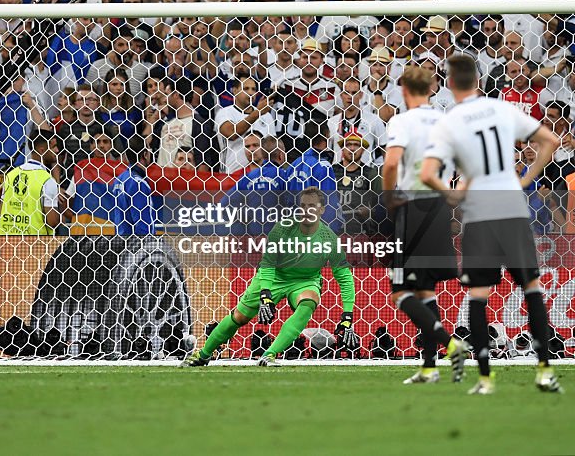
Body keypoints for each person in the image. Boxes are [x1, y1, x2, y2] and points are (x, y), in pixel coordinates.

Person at [419, 53, 562, 395]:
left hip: (480, 214)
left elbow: (427, 173)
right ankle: (544, 372)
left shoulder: (449, 121)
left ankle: (485, 378)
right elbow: (551, 142)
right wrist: (525, 178)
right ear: (479, 81)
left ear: (450, 83)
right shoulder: (502, 109)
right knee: (531, 288)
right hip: (512, 209)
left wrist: (453, 196)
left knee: (479, 296)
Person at [182, 188, 358, 366]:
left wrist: (348, 315)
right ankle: (203, 354)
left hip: (304, 281)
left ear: (321, 210)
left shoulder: (329, 239)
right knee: (240, 317)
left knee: (309, 301)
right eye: (303, 206)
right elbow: (268, 263)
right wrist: (265, 294)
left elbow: (344, 277)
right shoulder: (283, 228)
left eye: (312, 206)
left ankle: (269, 354)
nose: (306, 210)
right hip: (273, 277)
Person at [381, 65, 470, 385]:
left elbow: (391, 162)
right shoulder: (447, 121)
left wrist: (390, 196)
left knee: (400, 290)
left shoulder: (402, 121)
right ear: (433, 87)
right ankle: (429, 367)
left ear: (404, 89)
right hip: (439, 208)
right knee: (425, 288)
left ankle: (450, 345)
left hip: (413, 206)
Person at [0, 130, 63, 235]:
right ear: (42, 150)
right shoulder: (47, 180)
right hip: (35, 244)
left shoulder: (11, 175)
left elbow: (1, 211)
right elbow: (52, 222)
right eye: (53, 147)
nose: (57, 150)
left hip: (6, 243)